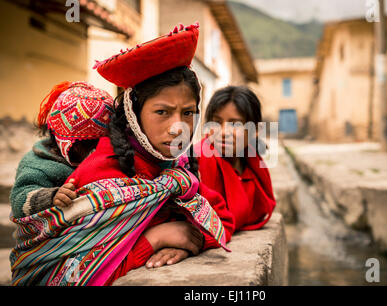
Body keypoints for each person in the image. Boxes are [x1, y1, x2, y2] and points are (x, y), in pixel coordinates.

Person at [56, 23, 234, 285]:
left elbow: (223, 219)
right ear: (134, 113)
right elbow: (70, 273)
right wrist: (156, 239)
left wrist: (188, 240)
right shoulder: (101, 174)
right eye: (162, 112)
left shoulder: (178, 170)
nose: (178, 128)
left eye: (188, 113)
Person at [9, 81, 114, 218]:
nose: (95, 152)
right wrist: (52, 197)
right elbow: (18, 199)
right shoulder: (38, 164)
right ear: (65, 142)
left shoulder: (111, 155)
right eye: (88, 145)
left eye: (103, 143)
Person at [196, 86, 276, 231]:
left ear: (256, 130)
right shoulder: (198, 160)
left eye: (235, 124)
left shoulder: (252, 162)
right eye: (216, 122)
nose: (224, 132)